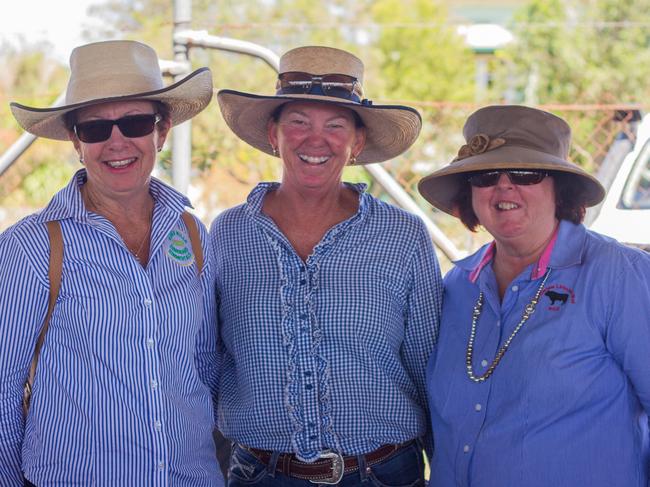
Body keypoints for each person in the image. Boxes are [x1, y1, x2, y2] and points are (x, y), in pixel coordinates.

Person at [211, 45, 442, 485]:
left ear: (356, 143)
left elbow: (428, 366)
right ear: (273, 134)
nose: (315, 140)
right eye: (298, 122)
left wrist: (446, 467)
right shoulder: (228, 234)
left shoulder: (403, 236)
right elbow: (208, 359)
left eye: (335, 126)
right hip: (260, 473)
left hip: (382, 473)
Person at [1, 40, 223, 485]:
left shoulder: (194, 235)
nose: (117, 141)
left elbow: (205, 367)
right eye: (96, 129)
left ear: (161, 132)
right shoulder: (30, 247)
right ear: (75, 142)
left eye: (135, 122)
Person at [418, 105, 650, 487]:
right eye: (486, 174)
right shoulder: (457, 287)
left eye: (526, 172)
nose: (504, 186)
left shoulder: (618, 275)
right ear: (470, 192)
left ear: (560, 188)